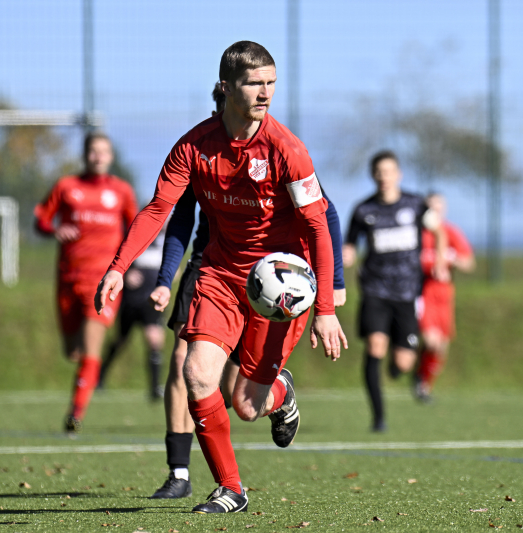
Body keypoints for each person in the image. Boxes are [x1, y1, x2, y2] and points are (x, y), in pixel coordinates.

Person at [95, 41, 347, 514]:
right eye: (255, 83)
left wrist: (327, 309)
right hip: (220, 276)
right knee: (194, 373)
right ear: (227, 87)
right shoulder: (194, 146)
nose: (265, 92)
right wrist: (118, 267)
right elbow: (159, 210)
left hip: (282, 286)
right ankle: (231, 489)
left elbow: (319, 223)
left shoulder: (287, 149)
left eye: (272, 83)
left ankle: (281, 391)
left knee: (248, 406)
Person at [34, 132, 138, 434]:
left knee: (91, 348)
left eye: (103, 151)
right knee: (73, 352)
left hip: (103, 281)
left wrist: (128, 265)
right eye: (93, 151)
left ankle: (75, 413)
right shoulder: (66, 187)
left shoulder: (121, 191)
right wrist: (53, 229)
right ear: (85, 155)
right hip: (67, 278)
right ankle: (83, 385)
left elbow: (137, 229)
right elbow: (41, 219)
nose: (98, 156)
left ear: (111, 156)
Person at [343, 150, 448, 432]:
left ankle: (399, 368)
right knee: (375, 346)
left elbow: (439, 232)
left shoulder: (415, 205)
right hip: (375, 290)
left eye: (389, 171)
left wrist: (439, 260)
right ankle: (378, 418)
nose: (384, 177)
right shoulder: (364, 210)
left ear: (398, 174)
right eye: (379, 172)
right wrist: (344, 260)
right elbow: (350, 246)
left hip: (407, 293)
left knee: (402, 362)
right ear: (373, 176)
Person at [413, 192, 475, 403]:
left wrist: (452, 260)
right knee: (431, 340)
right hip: (424, 293)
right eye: (431, 207)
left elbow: (469, 263)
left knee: (441, 347)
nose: (436, 211)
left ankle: (423, 384)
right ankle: (417, 373)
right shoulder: (418, 235)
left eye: (439, 207)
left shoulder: (451, 232)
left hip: (445, 295)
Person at [97, 223, 166, 400]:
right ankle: (99, 376)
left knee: (154, 339)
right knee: (121, 340)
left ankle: (155, 387)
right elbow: (117, 256)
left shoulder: (170, 238)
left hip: (152, 298)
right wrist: (126, 273)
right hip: (131, 298)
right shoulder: (134, 235)